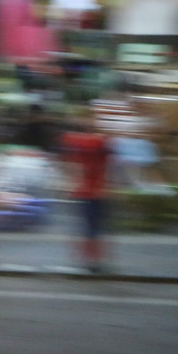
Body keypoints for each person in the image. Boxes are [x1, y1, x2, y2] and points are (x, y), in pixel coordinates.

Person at [58, 108, 112, 273]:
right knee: (94, 227)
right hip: (97, 191)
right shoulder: (101, 142)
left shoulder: (70, 140)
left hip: (83, 191)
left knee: (86, 226)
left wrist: (68, 183)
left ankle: (88, 258)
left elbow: (66, 163)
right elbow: (109, 163)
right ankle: (92, 259)